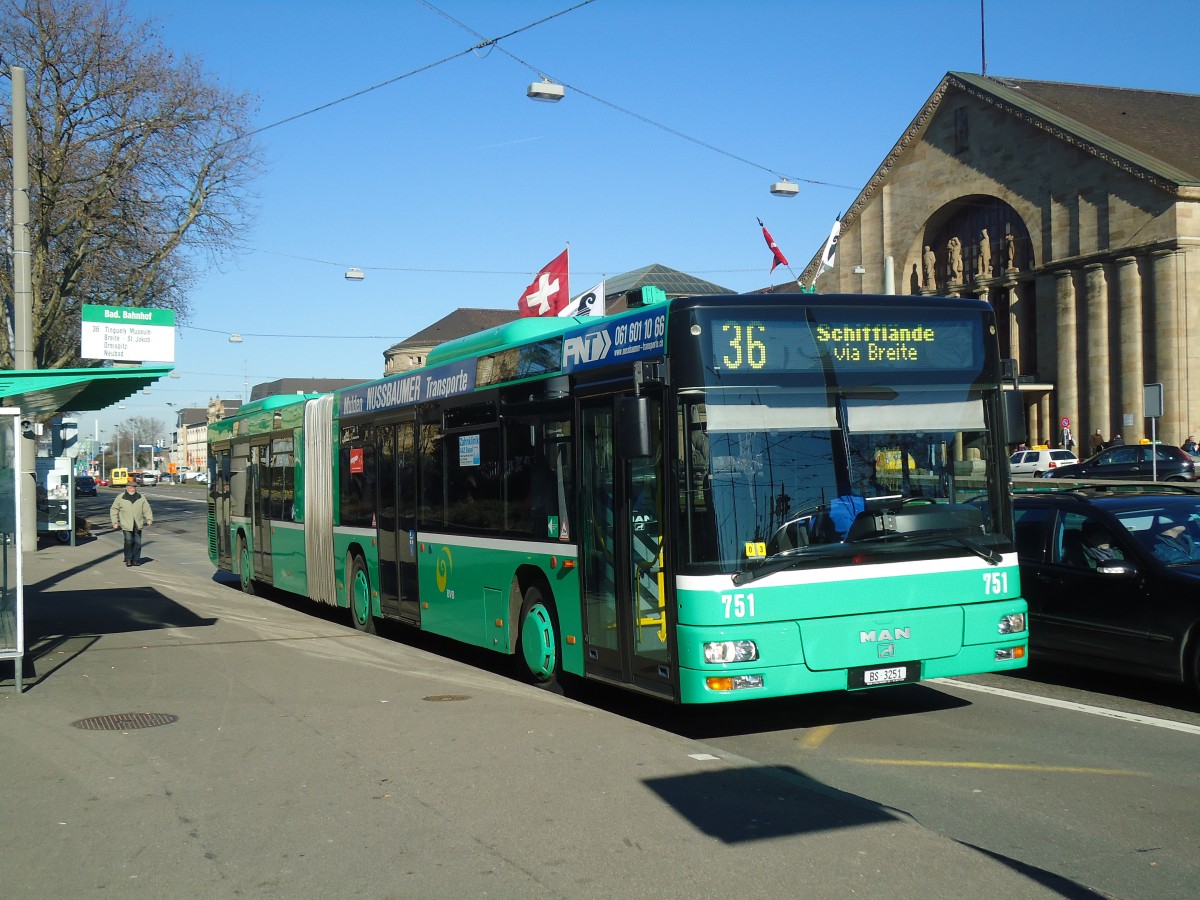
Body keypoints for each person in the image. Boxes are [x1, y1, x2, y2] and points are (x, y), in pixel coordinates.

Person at [110, 481, 154, 566]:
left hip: (138, 523)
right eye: (130, 487)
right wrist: (115, 522)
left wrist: (149, 518)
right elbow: (114, 509)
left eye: (134, 487)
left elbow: (146, 508)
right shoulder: (121, 497)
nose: (132, 489)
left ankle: (136, 560)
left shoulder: (140, 497)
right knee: (129, 541)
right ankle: (128, 559)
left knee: (137, 543)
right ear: (126, 488)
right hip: (126, 523)